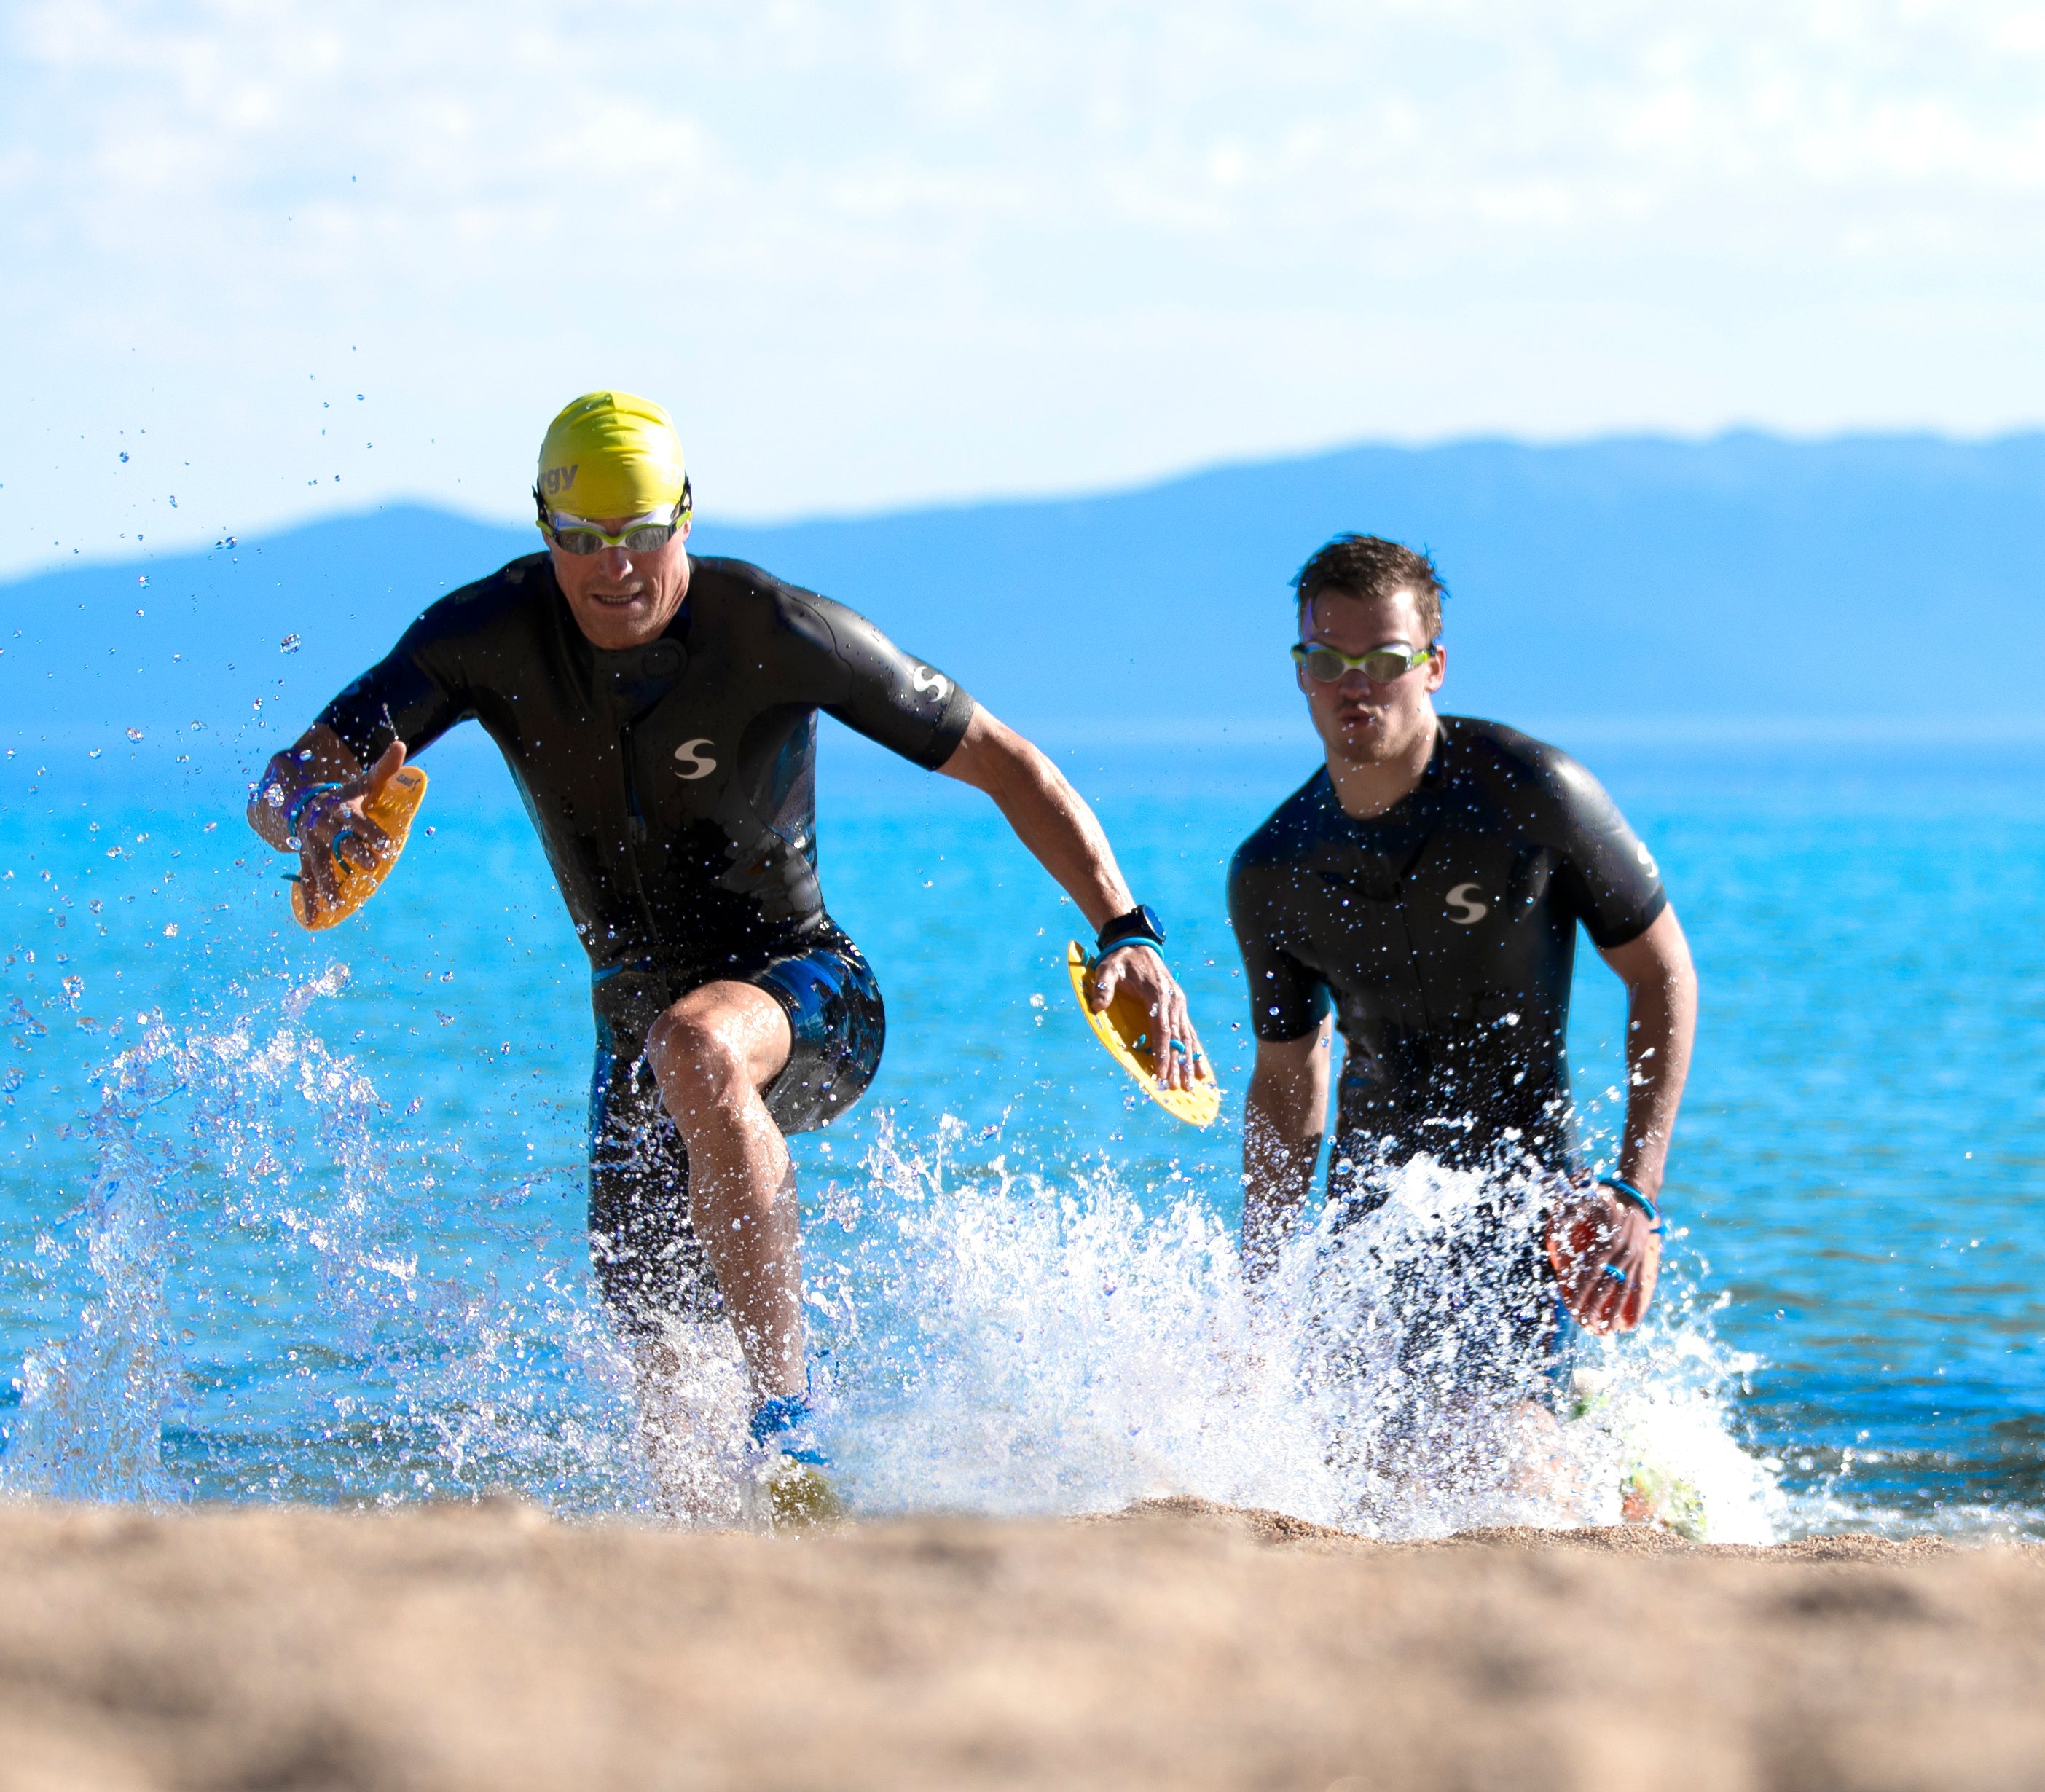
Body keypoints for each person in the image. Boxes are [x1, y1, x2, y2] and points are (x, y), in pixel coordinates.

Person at [247, 390, 1207, 1501]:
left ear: (685, 516)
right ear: (544, 529)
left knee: (695, 1044)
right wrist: (314, 816)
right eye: (582, 538)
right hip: (630, 1040)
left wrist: (1123, 927)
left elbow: (1002, 757)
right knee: (669, 1404)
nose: (614, 566)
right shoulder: (484, 634)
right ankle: (742, 1539)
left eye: (640, 533)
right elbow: (284, 778)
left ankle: (789, 1424)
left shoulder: (773, 628)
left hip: (810, 995)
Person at [1228, 533, 1696, 1397]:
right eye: (1326, 660)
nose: (1353, 684)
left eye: (1383, 659)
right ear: (1300, 672)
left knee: (1514, 1450)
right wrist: (1259, 1286)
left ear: (1433, 665)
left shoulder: (1530, 792)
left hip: (1526, 1200)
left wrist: (1635, 1192)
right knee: (1349, 1461)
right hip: (1371, 1215)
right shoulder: (1275, 867)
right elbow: (1288, 1080)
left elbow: (1661, 970)